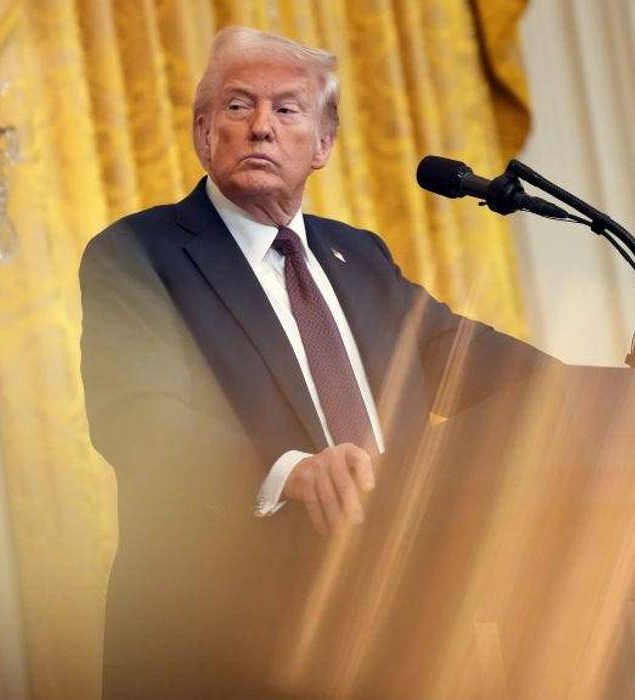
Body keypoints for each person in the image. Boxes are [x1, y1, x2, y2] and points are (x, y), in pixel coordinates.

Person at [80, 26, 551, 699]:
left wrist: (605, 399)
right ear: (202, 133)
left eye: (287, 109)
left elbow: (474, 360)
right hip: (223, 647)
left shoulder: (358, 257)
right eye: (238, 107)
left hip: (401, 633)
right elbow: (137, 421)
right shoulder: (138, 255)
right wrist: (291, 471)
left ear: (322, 144)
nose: (261, 129)